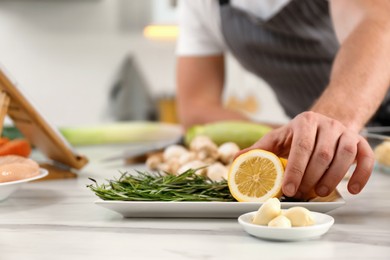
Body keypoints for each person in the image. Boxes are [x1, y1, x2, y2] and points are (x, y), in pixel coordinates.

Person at [175, 0, 390, 199]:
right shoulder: (199, 4)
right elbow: (196, 109)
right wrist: (295, 140)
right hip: (334, 162)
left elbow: (381, 24)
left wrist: (327, 124)